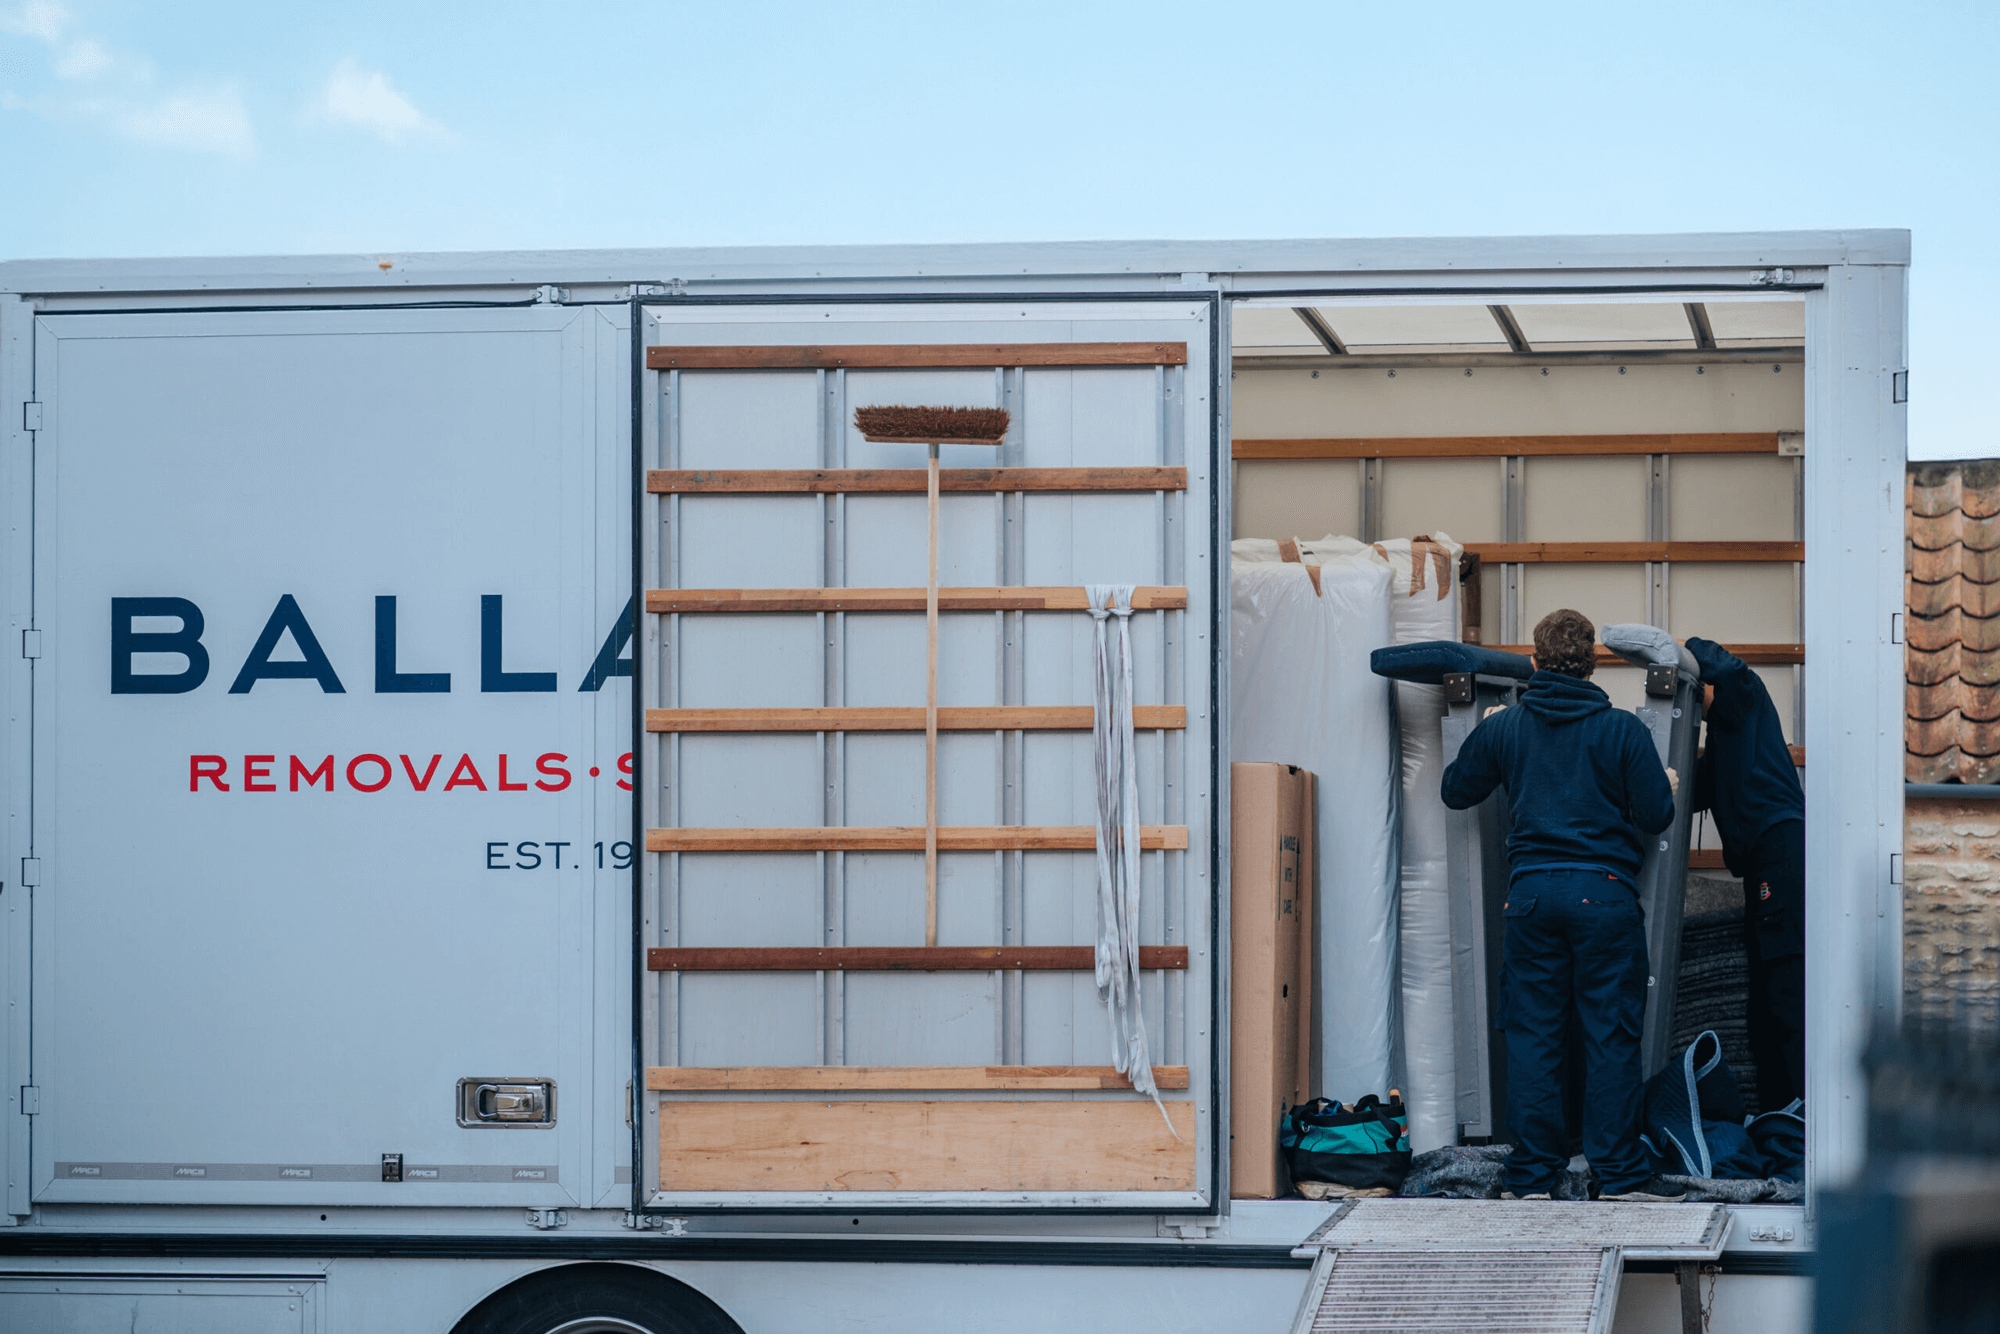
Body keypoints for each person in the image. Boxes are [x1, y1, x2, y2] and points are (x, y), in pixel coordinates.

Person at [1441, 608, 1685, 1201]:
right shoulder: (1623, 731)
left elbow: (1454, 790)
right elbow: (1657, 815)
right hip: (1603, 894)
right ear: (1593, 665)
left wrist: (1498, 735)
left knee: (1533, 1037)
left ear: (1534, 662)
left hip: (1530, 899)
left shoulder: (1507, 728)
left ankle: (1530, 1177)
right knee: (1610, 1035)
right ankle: (1620, 1175)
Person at [1684, 637, 1805, 1112]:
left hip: (1781, 855)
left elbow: (1727, 666)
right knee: (1763, 1009)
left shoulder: (1743, 696)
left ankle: (1799, 1129)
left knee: (1786, 996)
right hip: (1763, 869)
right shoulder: (1721, 744)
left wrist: (1679, 649)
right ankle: (1778, 1122)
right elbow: (1680, 797)